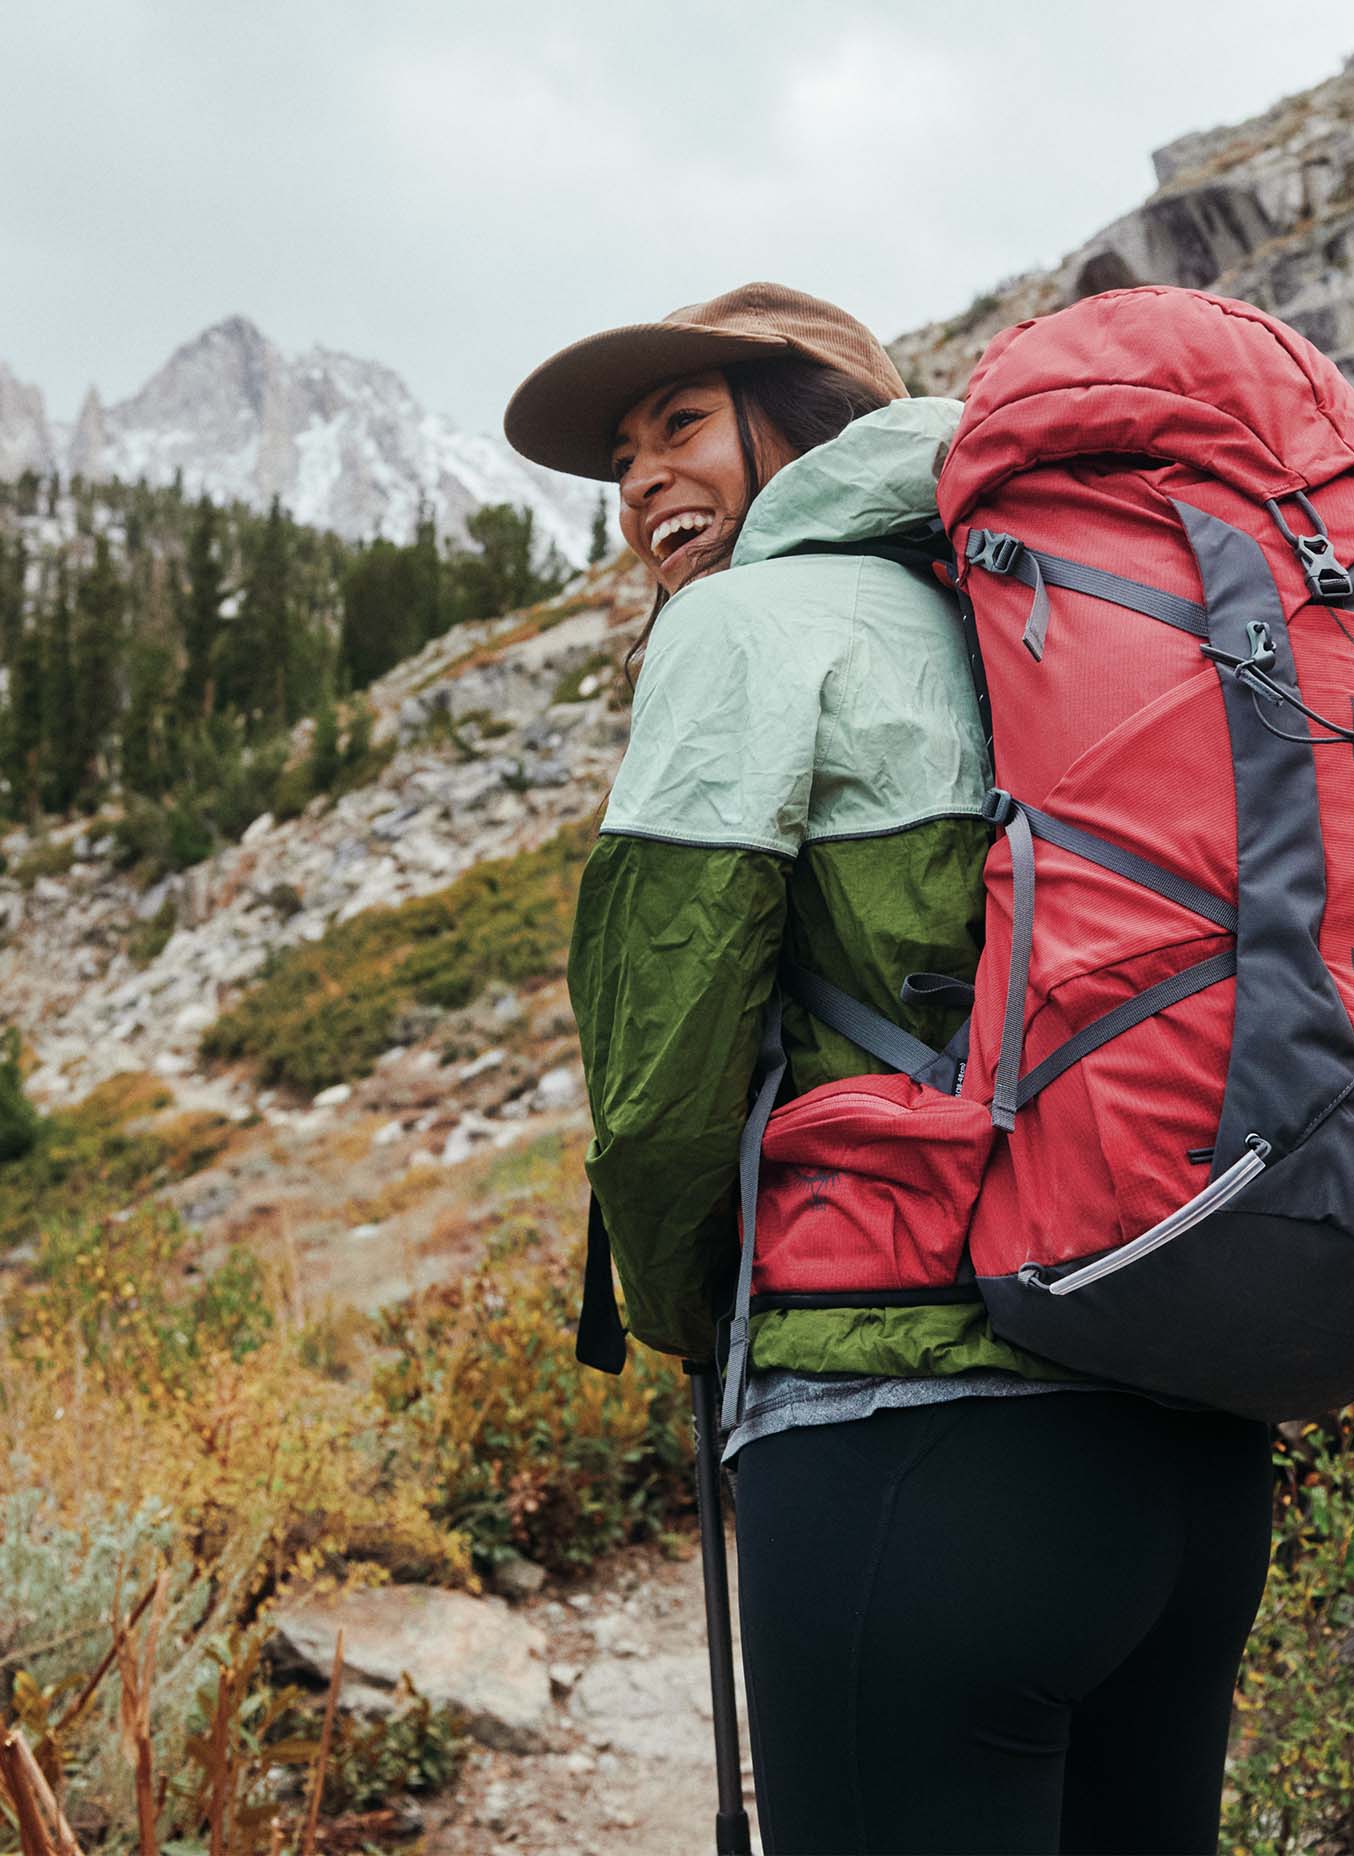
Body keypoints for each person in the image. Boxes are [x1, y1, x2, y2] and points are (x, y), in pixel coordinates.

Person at [506, 282, 1273, 1855]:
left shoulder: (743, 627)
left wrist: (679, 1309)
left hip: (908, 1447)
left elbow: (662, 1072)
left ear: (801, 425)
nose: (643, 477)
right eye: (623, 458)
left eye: (683, 424)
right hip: (1190, 1441)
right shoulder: (1078, 614)